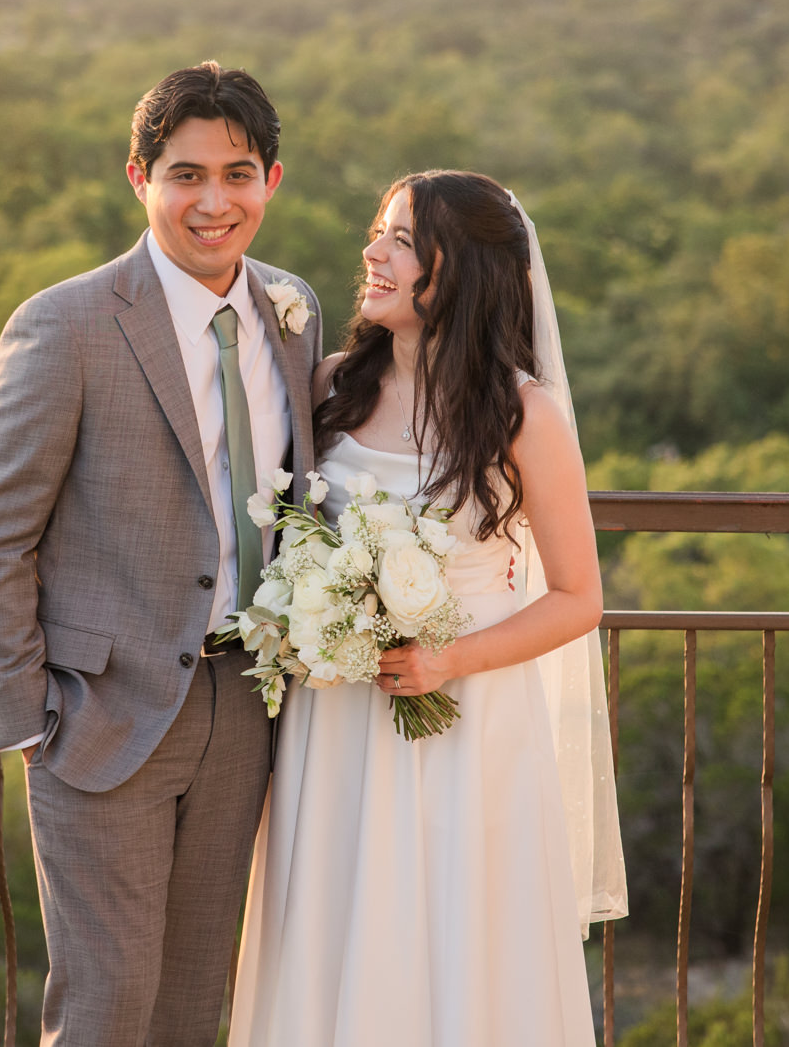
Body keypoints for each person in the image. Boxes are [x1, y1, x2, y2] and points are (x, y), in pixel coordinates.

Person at [0, 62, 323, 1045]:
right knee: (107, 1007)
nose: (213, 201)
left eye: (236, 175)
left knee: (193, 1001)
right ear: (137, 178)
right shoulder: (65, 323)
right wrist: (26, 718)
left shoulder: (291, 310)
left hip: (244, 704)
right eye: (185, 175)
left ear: (271, 182)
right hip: (99, 718)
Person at [229, 170, 627, 1046]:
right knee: (332, 939)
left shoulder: (526, 414)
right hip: (334, 727)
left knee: (458, 951)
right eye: (378, 231)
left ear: (463, 270)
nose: (371, 253)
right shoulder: (334, 385)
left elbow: (578, 598)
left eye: (400, 239)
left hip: (465, 727)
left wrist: (446, 661)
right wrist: (317, 608)